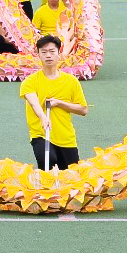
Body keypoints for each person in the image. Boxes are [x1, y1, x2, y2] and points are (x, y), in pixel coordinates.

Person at [19, 34, 87, 170]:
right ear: (38, 54)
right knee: (48, 161)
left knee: (70, 175)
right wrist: (43, 117)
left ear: (59, 53)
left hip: (66, 137)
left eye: (52, 51)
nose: (48, 55)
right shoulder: (30, 82)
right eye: (43, 52)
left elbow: (83, 110)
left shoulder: (71, 81)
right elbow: (33, 102)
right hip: (41, 134)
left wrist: (59, 103)